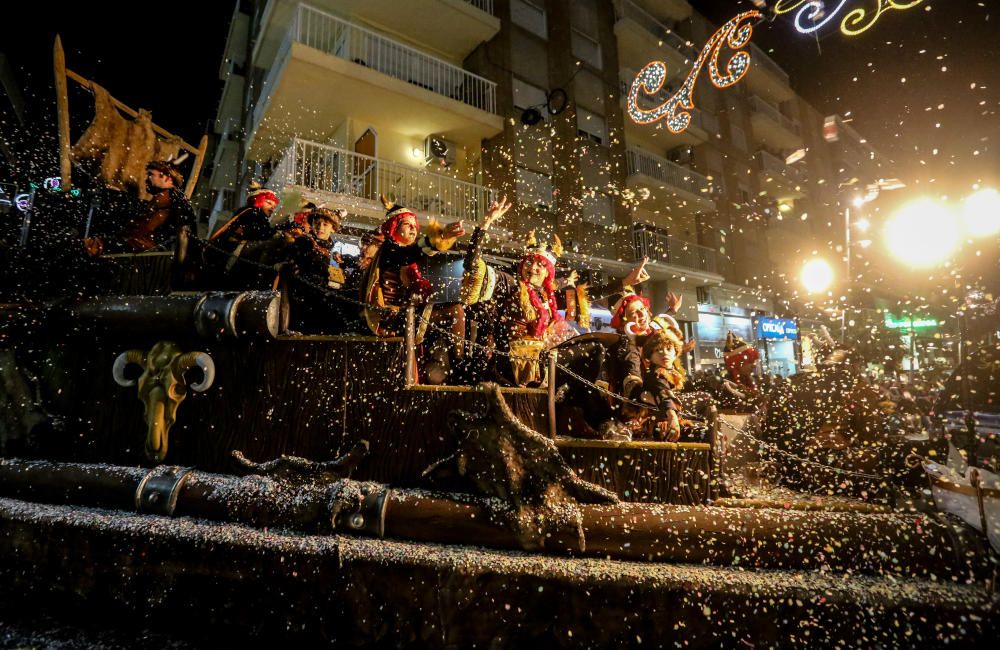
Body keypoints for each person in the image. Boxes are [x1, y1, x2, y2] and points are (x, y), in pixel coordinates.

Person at [361, 195, 468, 384]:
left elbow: (412, 256)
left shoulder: (407, 257)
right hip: (389, 318)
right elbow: (409, 255)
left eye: (414, 225)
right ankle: (460, 369)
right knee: (455, 312)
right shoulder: (389, 249)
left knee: (463, 315)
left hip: (407, 315)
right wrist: (439, 238)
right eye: (407, 224)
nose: (413, 228)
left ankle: (449, 365)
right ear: (394, 226)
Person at [83, 156, 196, 256]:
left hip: (147, 254)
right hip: (149, 251)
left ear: (166, 177)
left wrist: (115, 240)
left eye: (151, 175)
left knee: (88, 246)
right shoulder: (172, 197)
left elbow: (145, 228)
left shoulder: (169, 197)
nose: (147, 179)